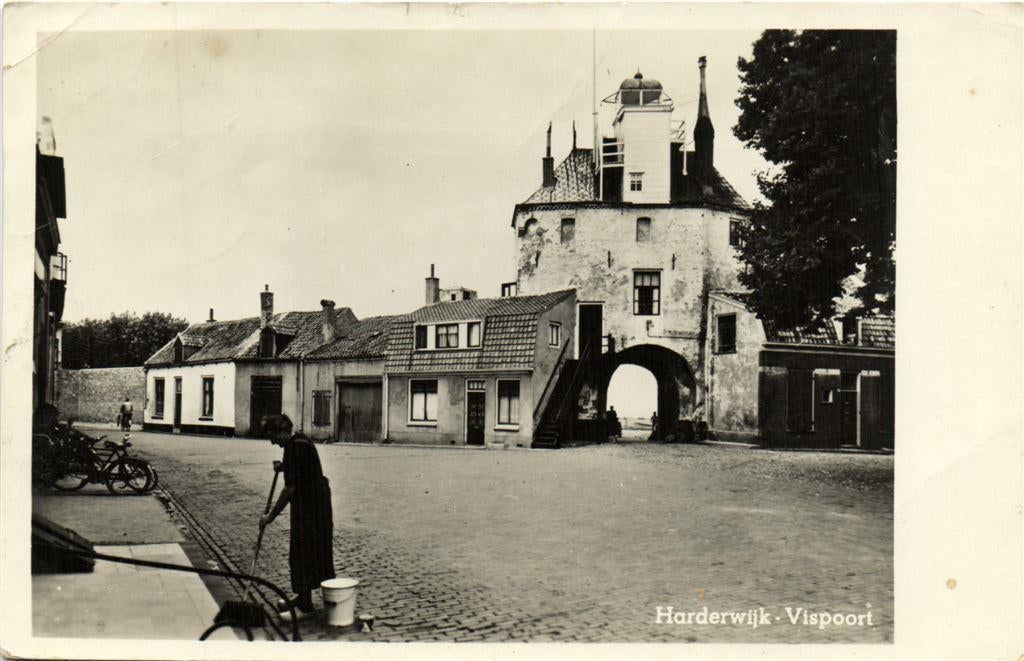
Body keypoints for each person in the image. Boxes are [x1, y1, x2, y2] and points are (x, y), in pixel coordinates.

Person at [259, 414, 335, 617]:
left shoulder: (295, 447)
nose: (272, 442)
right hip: (313, 503)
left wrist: (270, 517)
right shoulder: (298, 441)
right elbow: (301, 468)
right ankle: (303, 597)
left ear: (283, 431)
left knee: (304, 553)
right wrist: (283, 467)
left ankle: (305, 607)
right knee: (306, 551)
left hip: (311, 507)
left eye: (273, 436)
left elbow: (290, 489)